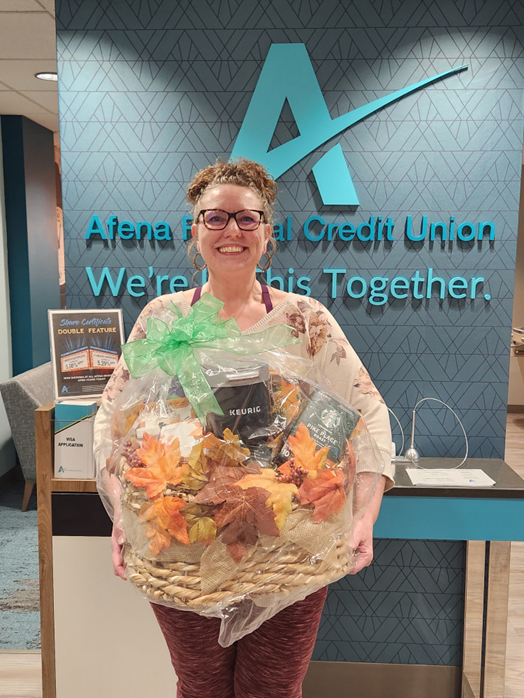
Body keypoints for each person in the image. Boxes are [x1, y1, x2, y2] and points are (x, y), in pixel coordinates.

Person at [94, 158, 394, 698]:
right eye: (215, 217)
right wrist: (121, 512)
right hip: (182, 543)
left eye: (247, 218)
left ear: (267, 231)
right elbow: (115, 421)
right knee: (200, 685)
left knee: (275, 688)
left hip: (289, 548)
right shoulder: (162, 319)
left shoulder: (306, 319)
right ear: (195, 230)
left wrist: (366, 512)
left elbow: (366, 409)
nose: (231, 230)